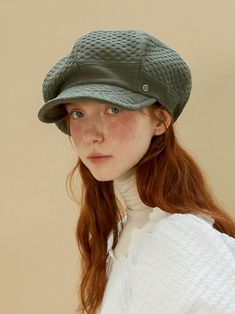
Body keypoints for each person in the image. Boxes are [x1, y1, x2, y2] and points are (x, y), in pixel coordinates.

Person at [38, 30, 235, 314]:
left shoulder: (181, 237)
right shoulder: (119, 237)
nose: (92, 134)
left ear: (160, 120)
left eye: (113, 109)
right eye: (77, 113)